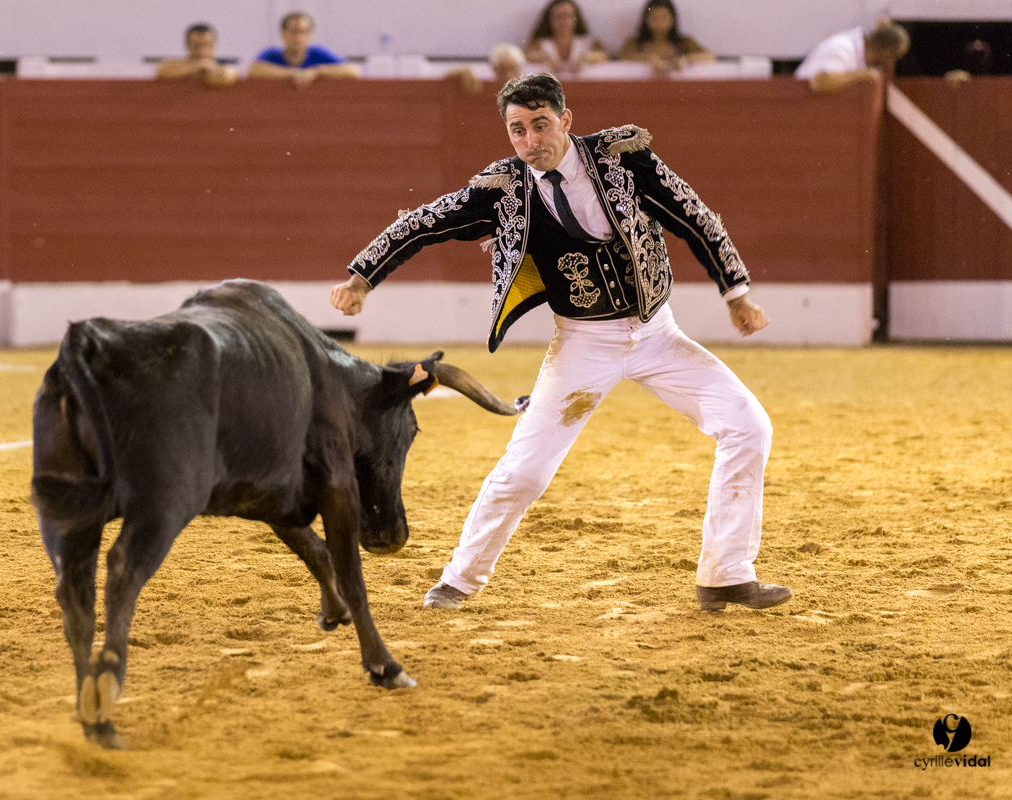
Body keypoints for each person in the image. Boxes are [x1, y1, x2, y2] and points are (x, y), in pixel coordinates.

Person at [329, 74, 792, 615]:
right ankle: (459, 578)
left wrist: (735, 292)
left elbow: (694, 214)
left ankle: (726, 574)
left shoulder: (623, 160)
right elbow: (425, 224)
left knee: (748, 426)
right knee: (525, 471)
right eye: (517, 131)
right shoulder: (504, 190)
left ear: (566, 121)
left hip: (657, 334)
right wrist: (362, 277)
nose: (530, 142)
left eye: (540, 125)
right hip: (582, 343)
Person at [247, 11, 360, 86]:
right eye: (294, 31)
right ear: (283, 34)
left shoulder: (317, 53)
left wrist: (316, 71)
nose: (298, 37)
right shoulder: (271, 54)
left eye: (303, 32)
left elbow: (353, 70)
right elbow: (254, 70)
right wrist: (294, 73)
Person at [795, 19, 910, 92]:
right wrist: (860, 75)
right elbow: (820, 82)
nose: (890, 63)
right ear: (886, 52)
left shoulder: (852, 51)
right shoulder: (842, 48)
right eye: (892, 57)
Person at [615, 0, 714, 77]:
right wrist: (649, 60)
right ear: (646, 20)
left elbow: (708, 56)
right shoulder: (635, 43)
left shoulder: (684, 42)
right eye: (654, 18)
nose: (659, 23)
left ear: (673, 19)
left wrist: (685, 60)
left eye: (664, 18)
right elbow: (623, 57)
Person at [524, 0, 607, 77]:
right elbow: (525, 57)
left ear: (575, 18)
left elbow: (604, 56)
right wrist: (543, 58)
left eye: (566, 15)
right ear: (549, 20)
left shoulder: (587, 42)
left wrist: (586, 58)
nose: (562, 21)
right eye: (558, 16)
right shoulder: (541, 44)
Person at [154, 23, 236, 86]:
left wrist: (209, 70)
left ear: (214, 46)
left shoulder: (223, 66)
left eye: (207, 45)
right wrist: (196, 67)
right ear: (187, 46)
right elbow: (161, 71)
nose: (202, 51)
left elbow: (228, 75)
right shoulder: (177, 65)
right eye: (196, 46)